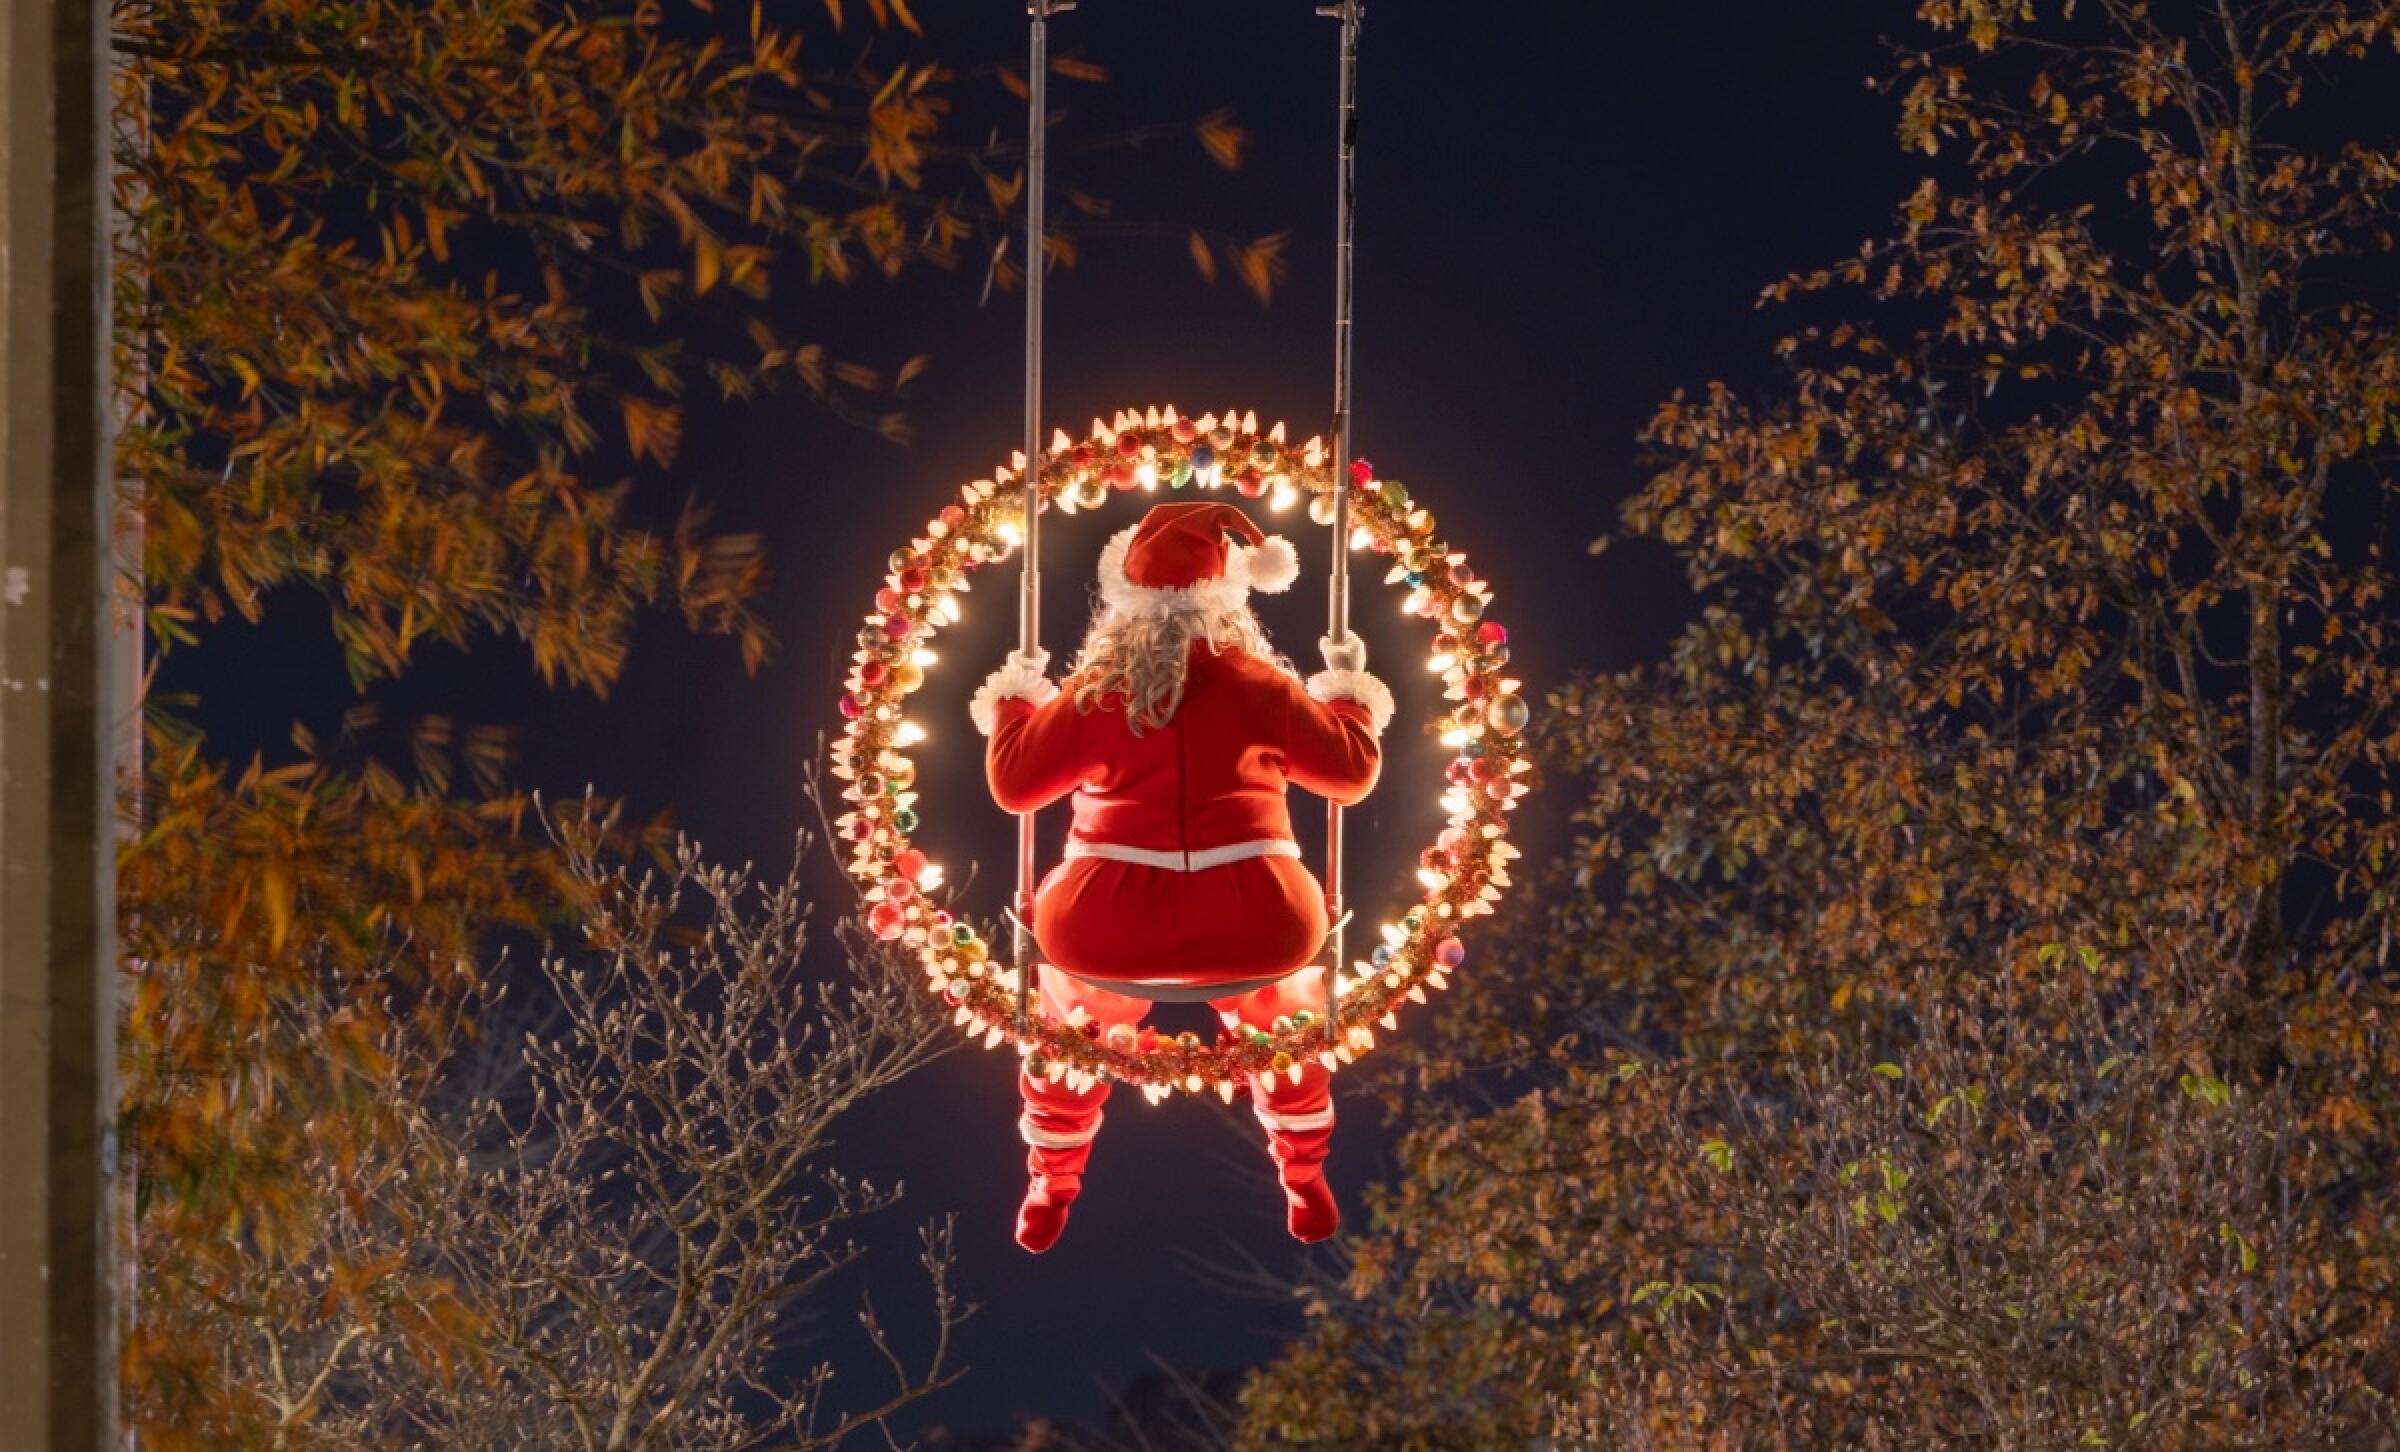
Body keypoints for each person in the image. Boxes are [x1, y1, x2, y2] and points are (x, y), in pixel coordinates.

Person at [970, 500, 1393, 1252]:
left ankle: (1052, 1178)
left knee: (1070, 1011)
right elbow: (1351, 777)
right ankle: (1303, 1171)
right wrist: (1348, 703)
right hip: (1255, 917)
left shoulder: (1097, 691)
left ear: (1123, 600)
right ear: (1229, 596)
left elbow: (1013, 788)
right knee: (1290, 1007)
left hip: (1107, 926)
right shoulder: (1262, 686)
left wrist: (1013, 706)